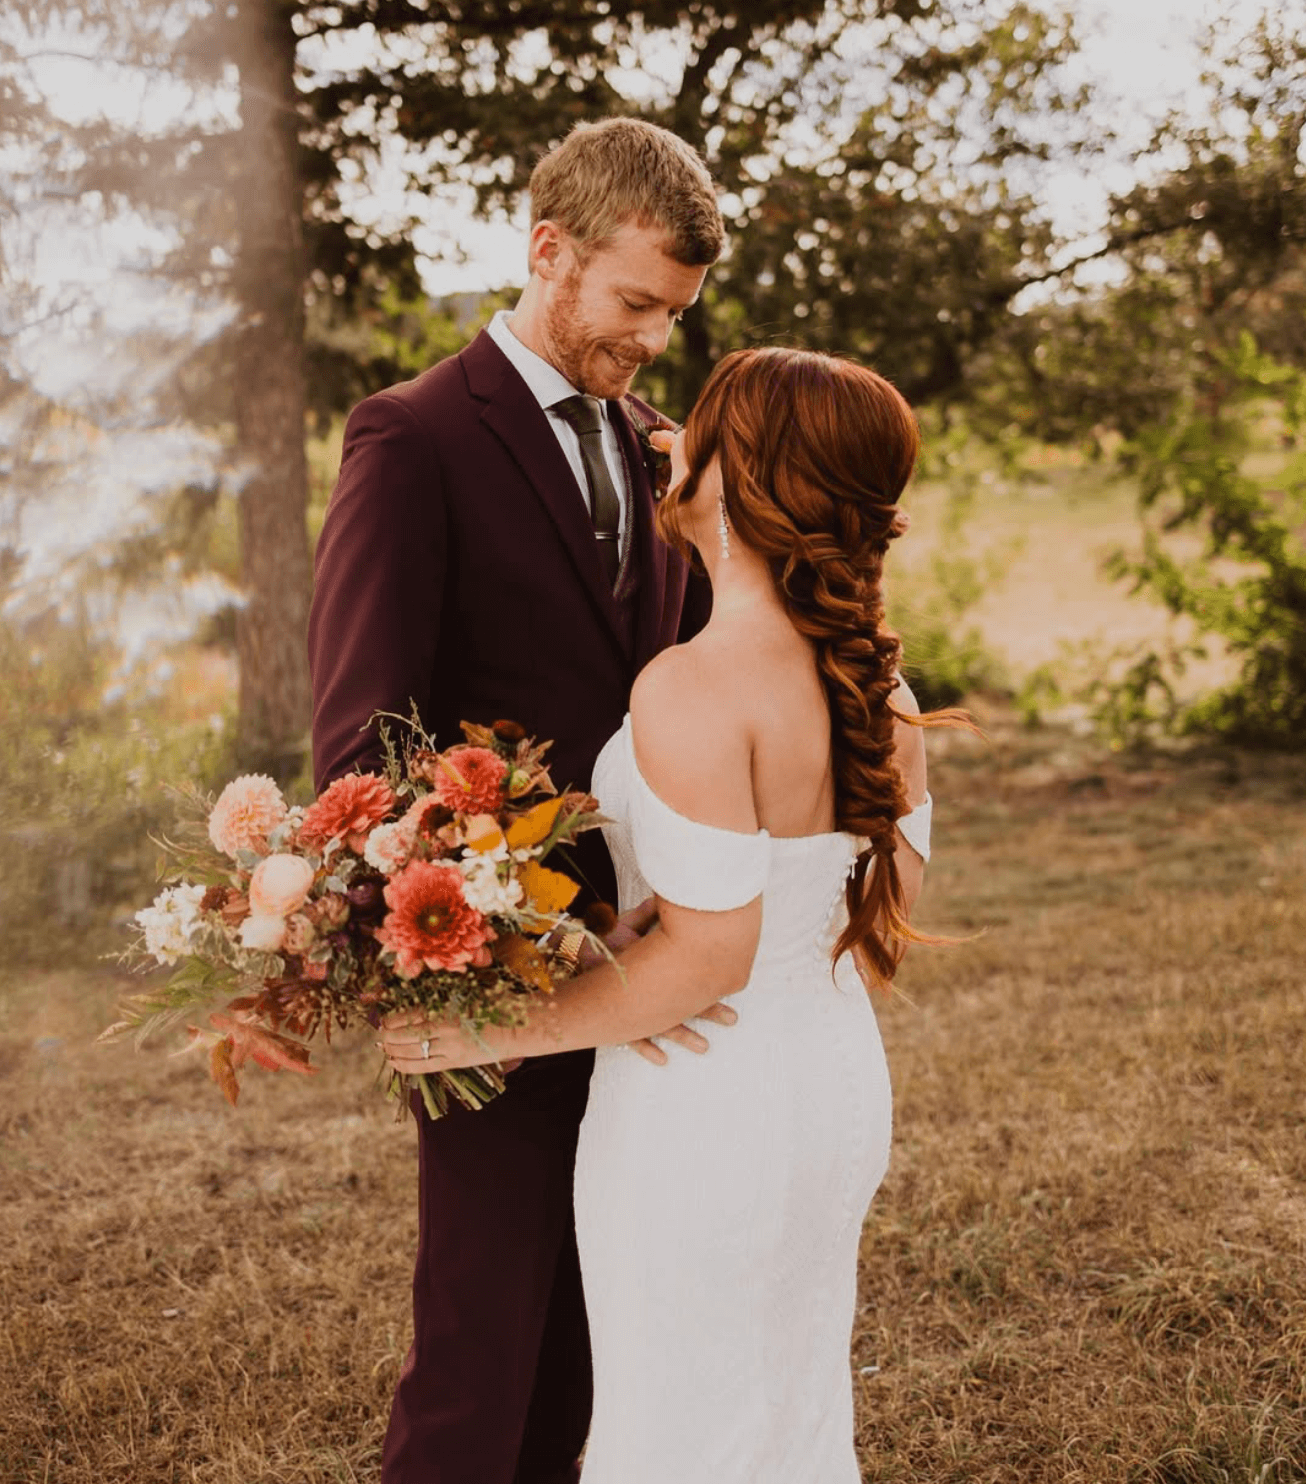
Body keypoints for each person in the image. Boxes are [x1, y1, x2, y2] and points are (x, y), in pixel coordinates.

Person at [382, 346, 957, 1483]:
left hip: (707, 1112)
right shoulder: (878, 689)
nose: (666, 438)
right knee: (785, 1416)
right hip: (833, 1082)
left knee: (671, 1432)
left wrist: (480, 1031)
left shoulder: (692, 685)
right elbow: (866, 907)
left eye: (694, 427)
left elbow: (707, 955)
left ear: (737, 478)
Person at [307, 119, 727, 1484]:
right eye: (633, 303)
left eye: (673, 315)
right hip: (493, 966)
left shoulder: (660, 445)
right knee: (483, 1335)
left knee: (597, 1331)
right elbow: (362, 731)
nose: (653, 339)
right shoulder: (414, 437)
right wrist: (458, 955)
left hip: (654, 967)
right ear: (549, 252)